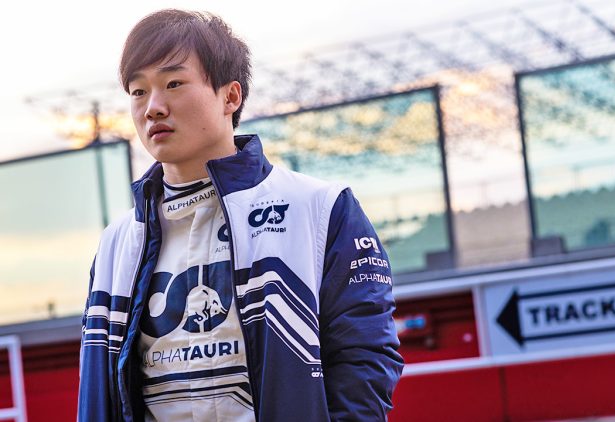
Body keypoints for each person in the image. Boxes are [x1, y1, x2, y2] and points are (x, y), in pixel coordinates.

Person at [78, 9, 403, 422]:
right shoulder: (117, 242)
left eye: (173, 83)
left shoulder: (321, 207)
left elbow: (364, 358)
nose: (153, 107)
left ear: (230, 97)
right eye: (138, 91)